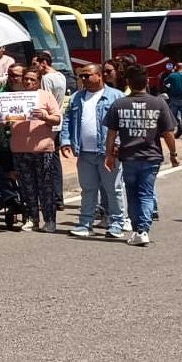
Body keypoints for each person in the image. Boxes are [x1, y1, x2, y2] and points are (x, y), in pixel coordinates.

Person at [103, 63, 179, 247]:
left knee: (132, 193)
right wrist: (174, 153)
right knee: (146, 193)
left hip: (129, 156)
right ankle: (143, 230)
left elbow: (111, 133)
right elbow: (168, 132)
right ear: (147, 81)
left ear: (128, 82)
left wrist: (109, 155)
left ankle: (138, 229)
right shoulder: (158, 103)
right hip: (151, 156)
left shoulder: (119, 104)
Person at [59, 62, 128, 239]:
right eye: (81, 76)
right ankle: (85, 224)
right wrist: (65, 141)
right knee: (88, 189)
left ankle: (116, 224)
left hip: (107, 153)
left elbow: (123, 124)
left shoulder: (116, 97)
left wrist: (117, 145)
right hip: (84, 153)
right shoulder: (76, 97)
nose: (83, 79)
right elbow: (67, 120)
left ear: (99, 76)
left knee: (113, 189)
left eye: (87, 75)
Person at [9, 67, 65, 232]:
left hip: (42, 148)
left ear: (39, 81)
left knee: (45, 186)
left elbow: (57, 118)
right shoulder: (15, 97)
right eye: (26, 79)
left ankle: (49, 220)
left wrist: (45, 117)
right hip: (20, 148)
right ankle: (31, 219)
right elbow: (4, 118)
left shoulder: (46, 96)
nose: (28, 82)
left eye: (32, 79)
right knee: (26, 186)